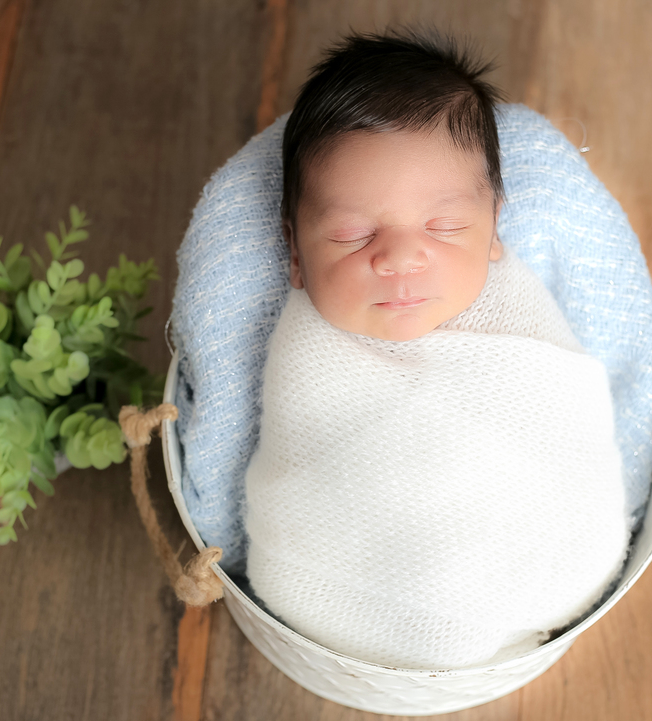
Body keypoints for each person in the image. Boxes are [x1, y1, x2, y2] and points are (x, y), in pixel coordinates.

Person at [243, 26, 630, 669]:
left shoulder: (514, 308)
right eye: (351, 235)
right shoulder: (308, 349)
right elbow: (302, 463)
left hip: (536, 553)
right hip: (349, 583)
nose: (399, 258)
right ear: (294, 252)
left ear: (494, 226)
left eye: (444, 227)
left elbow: (564, 423)